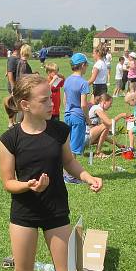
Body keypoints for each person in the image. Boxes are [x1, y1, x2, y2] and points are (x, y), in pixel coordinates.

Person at [0, 74, 102, 271]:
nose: (52, 103)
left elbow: (69, 161)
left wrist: (87, 175)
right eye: (44, 100)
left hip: (56, 210)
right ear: (25, 105)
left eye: (51, 97)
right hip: (24, 213)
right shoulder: (10, 139)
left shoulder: (59, 130)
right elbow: (8, 181)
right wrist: (29, 186)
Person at [63, 53, 90, 183]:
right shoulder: (84, 83)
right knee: (73, 147)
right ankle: (71, 176)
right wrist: (88, 119)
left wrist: (67, 110)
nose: (87, 68)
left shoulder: (67, 80)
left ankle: (65, 173)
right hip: (78, 117)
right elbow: (84, 104)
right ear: (83, 65)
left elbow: (65, 99)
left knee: (67, 145)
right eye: (87, 65)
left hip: (67, 115)